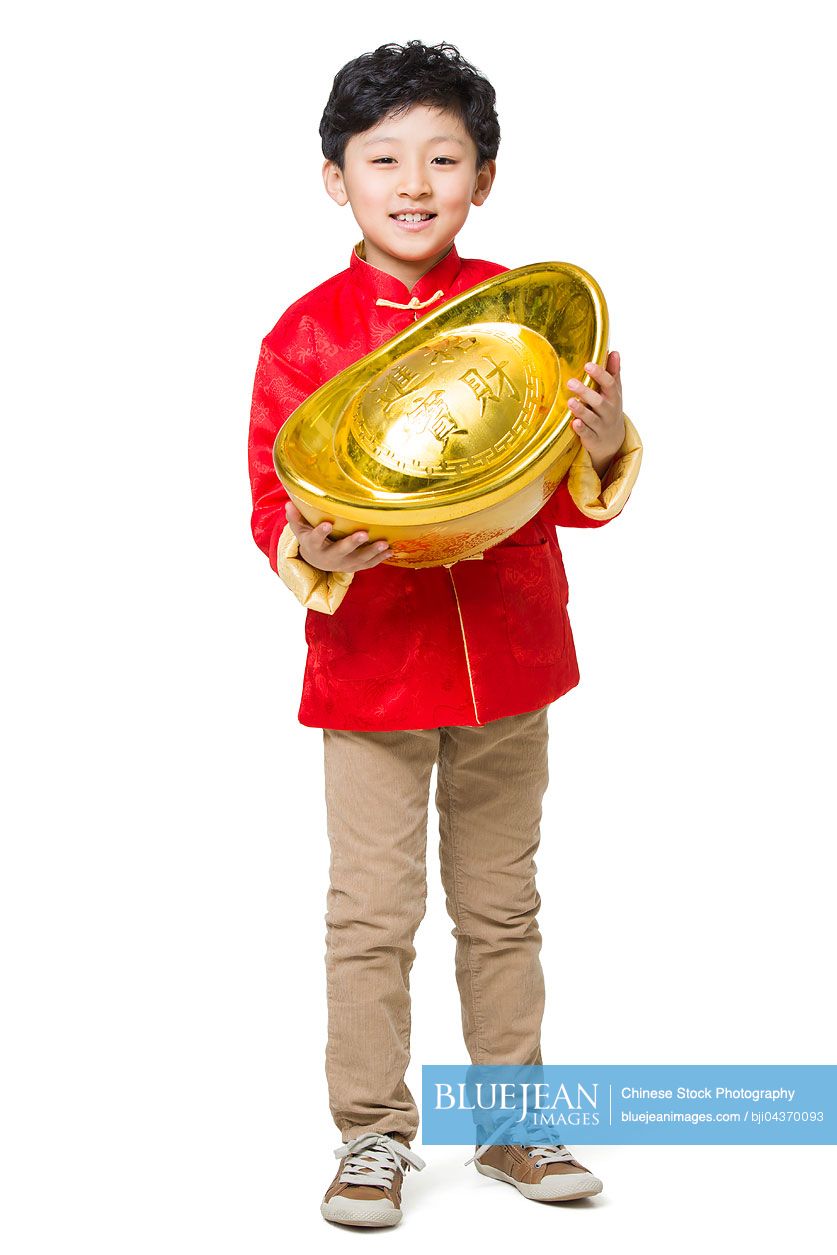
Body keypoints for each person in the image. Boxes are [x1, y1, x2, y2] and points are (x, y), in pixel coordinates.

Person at [247, 39, 643, 1229]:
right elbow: (273, 503)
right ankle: (371, 1134)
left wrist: (609, 432)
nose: (414, 182)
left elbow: (570, 494)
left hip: (511, 662)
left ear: (484, 175)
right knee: (371, 915)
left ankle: (515, 1122)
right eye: (384, 159)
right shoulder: (304, 338)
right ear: (336, 178)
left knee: (501, 903)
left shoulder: (523, 314)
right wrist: (306, 551)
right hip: (369, 668)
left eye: (443, 158)